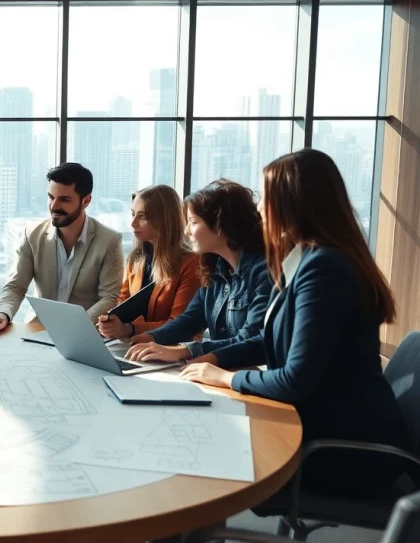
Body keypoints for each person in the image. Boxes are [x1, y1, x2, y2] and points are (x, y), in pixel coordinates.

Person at [180, 149, 408, 498]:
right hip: (320, 422)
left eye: (266, 199)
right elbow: (264, 341)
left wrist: (226, 378)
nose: (258, 210)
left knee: (196, 455)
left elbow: (296, 379)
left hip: (342, 447)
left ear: (292, 205)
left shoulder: (324, 268)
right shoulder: (304, 261)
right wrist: (208, 360)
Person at [124, 179, 271, 363]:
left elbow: (249, 341)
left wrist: (185, 351)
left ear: (219, 224)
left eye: (193, 222)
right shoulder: (215, 267)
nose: (187, 231)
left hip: (242, 377)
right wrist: (152, 337)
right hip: (217, 372)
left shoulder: (264, 273)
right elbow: (190, 319)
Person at [0, 162, 123, 336]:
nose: (53, 206)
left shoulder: (109, 241)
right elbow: (16, 286)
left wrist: (76, 328)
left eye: (64, 199)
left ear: (86, 201)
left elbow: (108, 298)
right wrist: (2, 314)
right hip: (38, 331)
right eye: (51, 197)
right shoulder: (32, 235)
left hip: (84, 334)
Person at [96, 185, 199, 339]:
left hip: (172, 347)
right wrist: (111, 323)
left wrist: (129, 328)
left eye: (142, 216)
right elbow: (123, 305)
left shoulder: (190, 264)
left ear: (164, 219)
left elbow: (180, 324)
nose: (132, 223)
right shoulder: (136, 258)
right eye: (133, 214)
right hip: (134, 343)